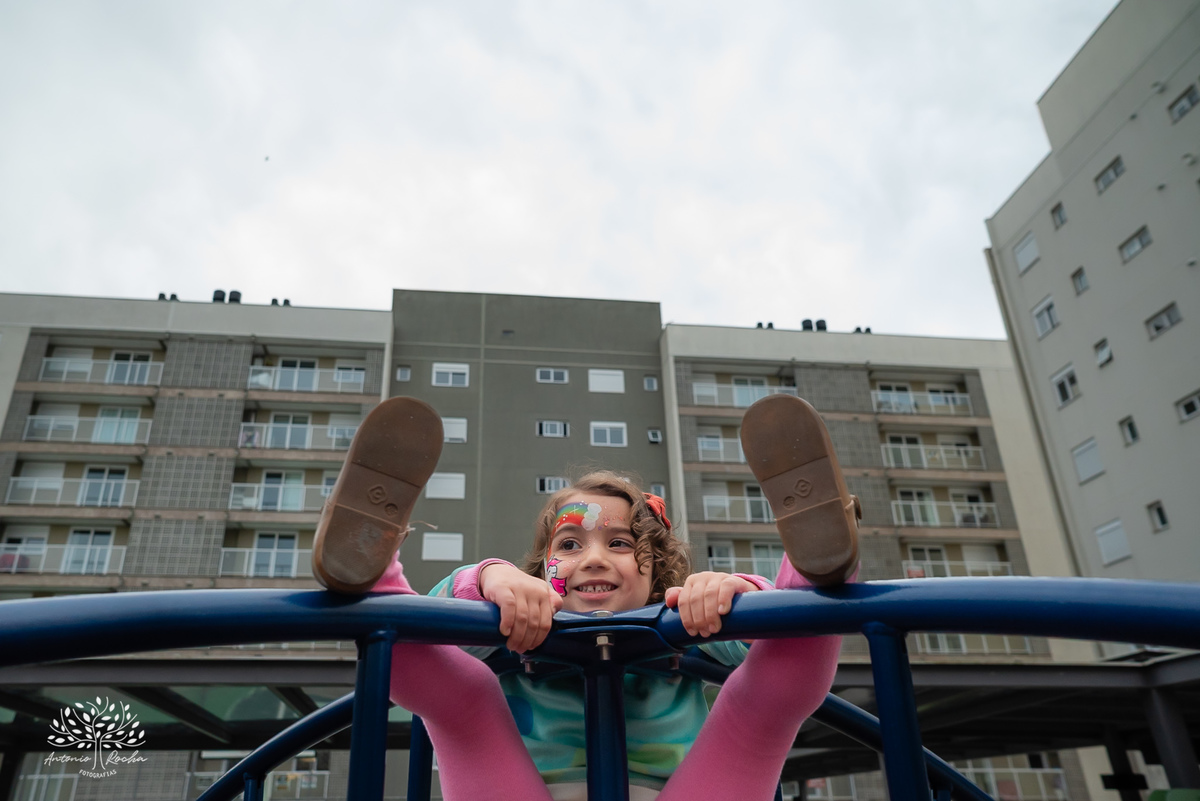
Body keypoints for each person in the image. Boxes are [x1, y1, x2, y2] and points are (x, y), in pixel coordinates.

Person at [312, 394, 861, 801]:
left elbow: (771, 657)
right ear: (542, 568)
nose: (593, 558)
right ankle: (370, 566)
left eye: (619, 543)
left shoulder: (679, 620)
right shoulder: (517, 619)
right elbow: (437, 627)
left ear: (656, 570)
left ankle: (816, 562)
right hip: (521, 789)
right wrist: (489, 579)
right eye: (569, 543)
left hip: (683, 791)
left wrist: (735, 593)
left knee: (764, 701)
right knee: (460, 695)